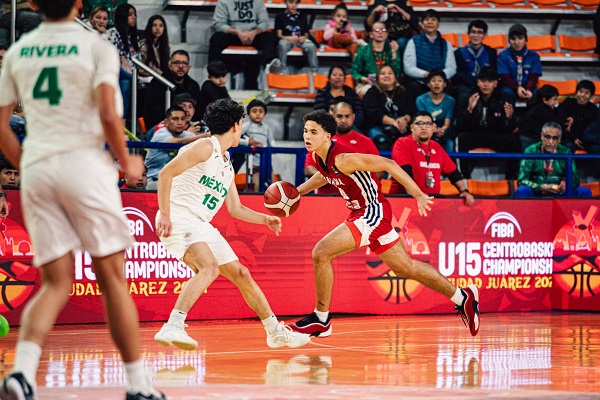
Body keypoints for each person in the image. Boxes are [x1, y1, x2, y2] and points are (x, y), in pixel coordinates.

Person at [0, 1, 164, 399]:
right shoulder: (96, 46)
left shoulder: (18, 50)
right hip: (85, 165)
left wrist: (30, 165)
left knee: (55, 283)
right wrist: (127, 163)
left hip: (39, 168)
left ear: (35, 4)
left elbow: (0, 122)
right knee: (113, 281)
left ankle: (21, 374)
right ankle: (139, 386)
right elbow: (109, 114)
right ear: (79, 4)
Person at [289, 110, 480, 338]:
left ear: (328, 136)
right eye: (305, 131)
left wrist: (418, 194)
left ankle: (321, 320)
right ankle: (463, 297)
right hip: (364, 213)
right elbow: (323, 176)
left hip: (372, 212)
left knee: (320, 253)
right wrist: (296, 192)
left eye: (313, 132)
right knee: (405, 268)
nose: (307, 136)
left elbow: (388, 163)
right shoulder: (321, 157)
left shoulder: (343, 158)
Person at [153, 98, 311, 350]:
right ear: (236, 125)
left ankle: (275, 332)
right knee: (209, 268)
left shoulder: (225, 161)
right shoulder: (205, 146)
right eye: (242, 123)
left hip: (201, 223)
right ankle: (173, 326)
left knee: (241, 273)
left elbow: (235, 209)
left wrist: (266, 219)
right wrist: (164, 213)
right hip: (180, 215)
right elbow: (165, 174)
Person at [390, 111, 474, 204]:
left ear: (434, 128)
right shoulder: (402, 143)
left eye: (428, 124)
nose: (424, 127)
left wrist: (464, 191)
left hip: (431, 203)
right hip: (403, 201)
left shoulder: (436, 147)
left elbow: (453, 173)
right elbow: (404, 174)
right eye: (419, 123)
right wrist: (417, 195)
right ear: (412, 127)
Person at [456, 67, 521, 179]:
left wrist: (509, 118)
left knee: (514, 141)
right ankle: (465, 179)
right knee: (462, 139)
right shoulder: (467, 97)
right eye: (483, 81)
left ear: (495, 83)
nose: (486, 85)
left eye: (489, 82)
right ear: (478, 82)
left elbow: (510, 127)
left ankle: (511, 179)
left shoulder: (504, 97)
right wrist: (469, 111)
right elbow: (460, 125)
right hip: (475, 134)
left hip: (495, 134)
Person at [305, 101, 381, 194]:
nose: (343, 120)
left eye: (347, 116)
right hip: (327, 199)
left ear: (353, 117)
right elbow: (309, 169)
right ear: (333, 117)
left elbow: (380, 171)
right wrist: (332, 178)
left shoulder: (366, 142)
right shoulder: (321, 140)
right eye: (339, 116)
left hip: (359, 198)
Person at [209, 0, 280, 90]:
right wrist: (237, 32)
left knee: (269, 37)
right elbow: (218, 24)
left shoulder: (258, 1)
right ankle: (214, 71)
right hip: (233, 34)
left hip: (253, 34)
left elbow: (265, 22)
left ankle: (270, 63)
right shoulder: (224, 1)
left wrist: (254, 32)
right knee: (216, 38)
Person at [514, 122, 592, 198]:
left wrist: (566, 184)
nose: (551, 142)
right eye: (547, 137)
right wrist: (539, 187)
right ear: (542, 136)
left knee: (584, 191)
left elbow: (575, 180)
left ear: (560, 139)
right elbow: (522, 180)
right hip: (536, 192)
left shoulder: (565, 151)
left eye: (555, 138)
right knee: (521, 190)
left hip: (559, 192)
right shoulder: (531, 150)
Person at [403, 9, 456, 100]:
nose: (430, 22)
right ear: (422, 24)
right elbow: (408, 68)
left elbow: (452, 68)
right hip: (419, 81)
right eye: (427, 20)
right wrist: (426, 74)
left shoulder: (446, 44)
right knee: (410, 87)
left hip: (439, 83)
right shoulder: (413, 41)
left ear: (438, 24)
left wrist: (438, 78)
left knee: (451, 89)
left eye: (433, 20)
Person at [145, 106, 203, 189]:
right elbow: (175, 142)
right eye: (175, 119)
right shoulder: (160, 134)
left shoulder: (188, 136)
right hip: (155, 181)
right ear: (166, 122)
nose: (179, 123)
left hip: (178, 181)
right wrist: (204, 136)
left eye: (183, 119)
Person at [143, 50, 202, 129]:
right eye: (177, 62)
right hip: (160, 126)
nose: (181, 66)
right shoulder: (158, 83)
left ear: (189, 67)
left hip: (186, 127)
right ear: (170, 65)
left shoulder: (193, 86)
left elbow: (198, 113)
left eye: (184, 63)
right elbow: (152, 114)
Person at [363, 64, 416, 150]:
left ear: (395, 78)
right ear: (378, 78)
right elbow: (373, 113)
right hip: (378, 126)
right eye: (383, 73)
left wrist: (404, 120)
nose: (386, 76)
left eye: (390, 73)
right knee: (382, 141)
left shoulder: (403, 92)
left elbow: (411, 111)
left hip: (401, 125)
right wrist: (393, 122)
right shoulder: (372, 93)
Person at [106, 3, 141, 119]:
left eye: (135, 15)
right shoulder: (112, 33)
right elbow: (110, 58)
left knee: (126, 83)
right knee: (127, 81)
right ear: (123, 15)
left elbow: (138, 60)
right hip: (114, 71)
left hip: (129, 73)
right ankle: (122, 120)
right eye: (130, 14)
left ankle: (124, 119)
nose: (134, 17)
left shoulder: (134, 37)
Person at [351, 21, 401, 96]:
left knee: (399, 90)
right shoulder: (363, 50)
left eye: (383, 30)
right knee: (372, 91)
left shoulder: (392, 50)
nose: (380, 32)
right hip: (367, 84)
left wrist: (394, 54)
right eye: (377, 30)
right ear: (371, 34)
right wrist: (365, 79)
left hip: (387, 83)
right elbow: (354, 72)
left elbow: (396, 73)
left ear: (387, 34)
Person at [453, 19, 497, 102]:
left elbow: (494, 72)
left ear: (485, 35)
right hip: (466, 85)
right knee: (463, 93)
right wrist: (474, 82)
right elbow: (457, 74)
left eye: (480, 32)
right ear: (468, 34)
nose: (476, 35)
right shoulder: (459, 53)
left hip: (485, 84)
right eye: (473, 32)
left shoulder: (491, 53)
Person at [498, 24, 542, 104]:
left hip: (529, 88)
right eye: (513, 39)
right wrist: (517, 88)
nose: (517, 42)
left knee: (538, 94)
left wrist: (528, 90)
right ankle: (509, 116)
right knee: (506, 93)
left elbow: (534, 77)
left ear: (526, 39)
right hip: (510, 88)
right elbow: (504, 77)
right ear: (509, 41)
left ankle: (533, 116)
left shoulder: (534, 56)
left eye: (520, 38)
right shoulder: (503, 56)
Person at [415, 69, 456, 153]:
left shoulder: (451, 101)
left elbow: (447, 123)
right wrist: (432, 128)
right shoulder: (420, 100)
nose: (436, 83)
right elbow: (423, 119)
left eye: (440, 81)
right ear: (428, 84)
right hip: (426, 127)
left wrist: (442, 130)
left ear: (445, 84)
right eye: (433, 81)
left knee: (450, 143)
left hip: (443, 130)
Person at [275, 0, 318, 75]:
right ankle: (282, 70)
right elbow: (279, 35)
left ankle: (314, 71)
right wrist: (289, 38)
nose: (293, 5)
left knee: (311, 46)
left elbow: (307, 33)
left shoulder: (302, 15)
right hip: (287, 39)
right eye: (291, 2)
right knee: (282, 44)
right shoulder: (280, 16)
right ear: (286, 2)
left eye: (296, 3)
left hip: (300, 39)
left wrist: (303, 38)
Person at [242, 100, 276, 191]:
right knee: (255, 187)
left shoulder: (267, 128)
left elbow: (272, 143)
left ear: (264, 114)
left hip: (267, 163)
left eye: (261, 111)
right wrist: (247, 142)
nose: (258, 114)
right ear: (248, 114)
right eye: (254, 111)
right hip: (253, 165)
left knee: (272, 187)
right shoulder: (247, 126)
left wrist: (264, 146)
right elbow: (234, 138)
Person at [557, 80, 599, 152]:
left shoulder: (593, 109)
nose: (582, 95)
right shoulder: (567, 103)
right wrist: (574, 139)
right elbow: (561, 124)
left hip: (585, 140)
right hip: (568, 138)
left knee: (596, 149)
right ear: (576, 93)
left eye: (586, 93)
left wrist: (575, 120)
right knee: (568, 146)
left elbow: (590, 127)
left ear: (591, 96)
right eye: (581, 92)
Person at [517, 84, 560, 150]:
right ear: (545, 100)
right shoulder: (542, 110)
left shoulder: (538, 107)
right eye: (554, 99)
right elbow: (554, 126)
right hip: (529, 141)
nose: (556, 102)